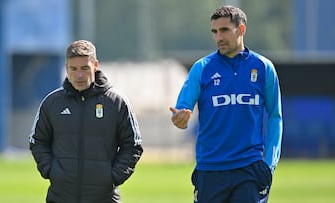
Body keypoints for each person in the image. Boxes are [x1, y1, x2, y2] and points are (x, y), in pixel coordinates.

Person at [169, 5, 283, 203]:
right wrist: (180, 119)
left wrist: (269, 164)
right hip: (210, 169)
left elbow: (275, 116)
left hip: (249, 169)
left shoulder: (264, 68)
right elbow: (181, 110)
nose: (218, 37)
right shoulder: (202, 68)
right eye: (214, 31)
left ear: (241, 30)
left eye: (224, 30)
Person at [29, 40, 143, 203]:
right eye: (73, 69)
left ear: (95, 66)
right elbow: (37, 141)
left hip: (104, 198)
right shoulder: (52, 102)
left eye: (84, 68)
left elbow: (133, 145)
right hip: (60, 197)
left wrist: (112, 177)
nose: (79, 75)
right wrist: (51, 171)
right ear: (66, 67)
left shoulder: (116, 102)